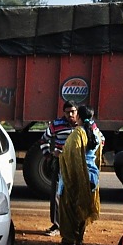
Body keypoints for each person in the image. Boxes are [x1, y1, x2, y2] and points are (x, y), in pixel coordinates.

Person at [55, 105, 103, 245]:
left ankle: (68, 240)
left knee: (68, 208)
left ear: (79, 117)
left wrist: (60, 155)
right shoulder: (96, 133)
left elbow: (72, 155)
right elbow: (97, 155)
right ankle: (79, 238)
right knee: (83, 206)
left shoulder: (77, 133)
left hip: (76, 177)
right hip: (92, 176)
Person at [39, 100, 79, 236]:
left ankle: (75, 226)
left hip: (77, 164)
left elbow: (100, 139)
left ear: (77, 111)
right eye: (68, 112)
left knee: (76, 194)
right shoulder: (56, 124)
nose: (70, 114)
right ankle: (57, 225)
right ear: (64, 113)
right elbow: (43, 139)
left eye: (73, 111)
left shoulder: (84, 125)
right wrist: (48, 155)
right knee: (57, 193)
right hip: (60, 162)